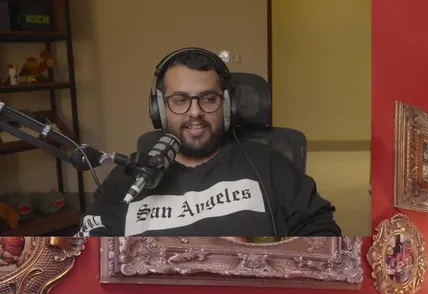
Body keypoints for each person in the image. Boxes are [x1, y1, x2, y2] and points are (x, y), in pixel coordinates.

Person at [77, 47, 340, 238]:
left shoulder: (268, 164)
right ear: (159, 110)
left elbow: (322, 231)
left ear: (227, 106)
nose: (195, 113)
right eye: (179, 100)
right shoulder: (128, 178)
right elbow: (92, 250)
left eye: (208, 99)